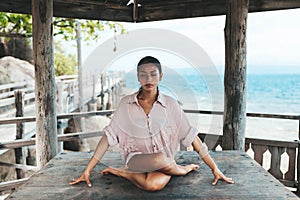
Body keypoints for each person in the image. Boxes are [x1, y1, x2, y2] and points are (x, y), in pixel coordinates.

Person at [70, 56, 234, 191]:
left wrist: (214, 168)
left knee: (152, 185)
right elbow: (108, 137)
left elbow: (192, 137)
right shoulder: (126, 104)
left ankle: (123, 173)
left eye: (153, 74)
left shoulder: (171, 104)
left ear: (160, 76)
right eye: (143, 74)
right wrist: (88, 170)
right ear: (138, 77)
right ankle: (182, 169)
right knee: (161, 158)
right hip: (137, 159)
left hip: (164, 163)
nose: (148, 79)